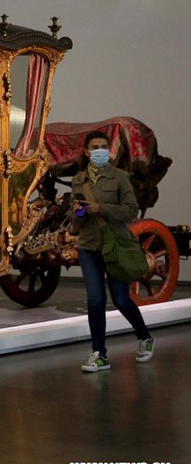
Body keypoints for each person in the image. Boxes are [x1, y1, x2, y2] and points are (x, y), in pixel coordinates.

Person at [71, 131, 154, 372]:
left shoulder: (120, 177)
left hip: (115, 245)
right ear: (86, 151)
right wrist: (77, 212)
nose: (99, 151)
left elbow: (130, 210)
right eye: (95, 147)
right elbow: (74, 219)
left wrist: (100, 208)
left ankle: (145, 336)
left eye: (104, 146)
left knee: (120, 299)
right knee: (95, 300)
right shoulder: (79, 180)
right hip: (88, 246)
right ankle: (99, 354)